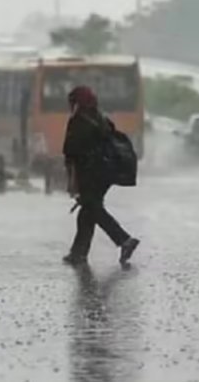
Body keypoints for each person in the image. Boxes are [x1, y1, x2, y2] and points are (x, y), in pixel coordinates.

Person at [62, 86, 140, 265]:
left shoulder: (78, 120)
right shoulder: (100, 118)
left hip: (90, 173)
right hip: (106, 173)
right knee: (88, 211)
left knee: (93, 208)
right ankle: (78, 253)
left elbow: (70, 151)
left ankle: (124, 240)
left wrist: (71, 179)